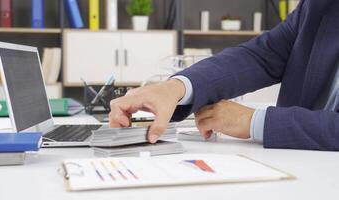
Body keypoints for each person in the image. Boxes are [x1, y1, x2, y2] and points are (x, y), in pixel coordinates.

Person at [109, 0, 339, 151]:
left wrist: (256, 121)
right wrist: (175, 88)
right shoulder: (321, 6)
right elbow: (261, 56)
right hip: (296, 170)